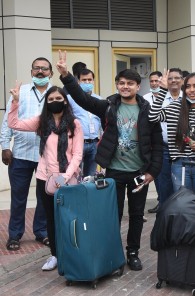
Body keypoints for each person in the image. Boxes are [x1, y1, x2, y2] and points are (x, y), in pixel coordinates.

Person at [57, 50, 163, 271]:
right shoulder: (108, 106)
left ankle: (132, 252)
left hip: (138, 173)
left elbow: (157, 144)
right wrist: (66, 75)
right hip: (113, 171)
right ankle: (113, 255)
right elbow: (83, 99)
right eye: (122, 83)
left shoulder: (147, 110)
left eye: (130, 83)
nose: (125, 87)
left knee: (136, 215)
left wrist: (152, 172)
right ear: (117, 85)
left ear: (137, 86)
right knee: (111, 215)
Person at [8, 84, 83, 270]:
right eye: (51, 100)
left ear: (65, 101)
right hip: (45, 178)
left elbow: (77, 155)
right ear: (46, 103)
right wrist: (15, 102)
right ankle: (55, 255)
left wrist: (63, 178)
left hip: (67, 179)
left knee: (68, 217)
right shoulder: (41, 122)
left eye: (58, 99)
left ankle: (72, 253)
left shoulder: (75, 124)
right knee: (50, 217)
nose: (55, 102)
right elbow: (14, 124)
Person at [1, 57, 51, 252]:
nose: (40, 72)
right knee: (18, 197)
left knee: (43, 196)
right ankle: (14, 235)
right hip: (20, 154)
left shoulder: (56, 94)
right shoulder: (19, 93)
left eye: (44, 69)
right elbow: (8, 120)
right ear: (31, 72)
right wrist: (5, 146)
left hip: (46, 156)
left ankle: (41, 231)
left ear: (50, 73)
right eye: (36, 68)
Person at [143, 70, 174, 213]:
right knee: (160, 179)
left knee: (172, 179)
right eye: (152, 81)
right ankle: (162, 203)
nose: (155, 83)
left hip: (173, 145)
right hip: (156, 145)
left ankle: (171, 206)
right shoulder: (145, 98)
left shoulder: (171, 98)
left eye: (157, 81)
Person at [67, 68, 103, 177]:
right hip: (78, 143)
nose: (87, 82)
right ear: (78, 82)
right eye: (84, 80)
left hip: (95, 143)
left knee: (90, 177)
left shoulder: (99, 99)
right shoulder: (70, 99)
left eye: (90, 80)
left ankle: (88, 194)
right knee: (75, 174)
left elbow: (103, 122)